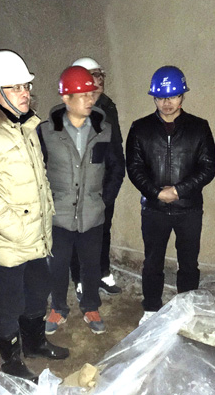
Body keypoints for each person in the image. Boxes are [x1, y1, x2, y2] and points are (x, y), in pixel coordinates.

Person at [0, 50, 69, 381]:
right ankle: (11, 361)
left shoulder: (24, 126)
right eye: (16, 87)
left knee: (38, 288)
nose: (25, 94)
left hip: (34, 233)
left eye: (26, 86)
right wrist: (19, 230)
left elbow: (38, 178)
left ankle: (34, 343)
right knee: (9, 302)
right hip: (7, 239)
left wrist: (45, 216)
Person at [126, 66, 215, 325]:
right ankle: (151, 308)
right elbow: (134, 168)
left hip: (189, 208)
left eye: (173, 96)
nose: (167, 103)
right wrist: (156, 193)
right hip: (154, 208)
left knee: (188, 263)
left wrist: (178, 191)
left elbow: (207, 167)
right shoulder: (140, 128)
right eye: (161, 97)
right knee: (152, 261)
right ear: (154, 98)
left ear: (182, 96)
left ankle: (186, 308)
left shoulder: (199, 127)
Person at [38, 65, 124, 335]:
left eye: (91, 93)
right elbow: (36, 171)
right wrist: (46, 203)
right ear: (66, 98)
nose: (90, 99)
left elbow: (116, 167)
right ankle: (58, 308)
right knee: (57, 264)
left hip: (92, 213)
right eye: (83, 95)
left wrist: (103, 200)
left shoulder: (104, 130)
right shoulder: (46, 132)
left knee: (91, 264)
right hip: (59, 214)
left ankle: (90, 306)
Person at [69, 57, 125, 297]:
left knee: (103, 232)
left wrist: (110, 191)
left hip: (104, 186)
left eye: (99, 75)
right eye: (91, 76)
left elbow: (115, 151)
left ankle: (102, 273)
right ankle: (80, 279)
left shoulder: (108, 107)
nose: (98, 80)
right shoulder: (73, 113)